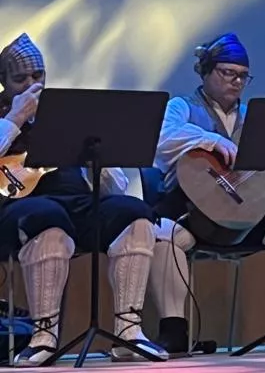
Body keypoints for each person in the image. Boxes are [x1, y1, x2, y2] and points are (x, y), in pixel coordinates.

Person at [146, 33, 265, 353]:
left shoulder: (255, 119)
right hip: (193, 213)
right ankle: (173, 328)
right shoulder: (183, 107)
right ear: (205, 72)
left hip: (249, 214)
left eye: (242, 75)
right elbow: (161, 138)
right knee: (163, 233)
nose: (236, 81)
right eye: (227, 73)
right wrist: (209, 140)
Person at [0, 33, 166, 365]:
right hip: (20, 207)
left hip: (80, 202)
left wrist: (99, 161)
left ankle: (128, 333)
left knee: (134, 211)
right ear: (3, 82)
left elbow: (115, 187)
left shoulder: (66, 112)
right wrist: (15, 119)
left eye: (38, 76)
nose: (32, 85)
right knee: (46, 216)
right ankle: (43, 337)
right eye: (20, 79)